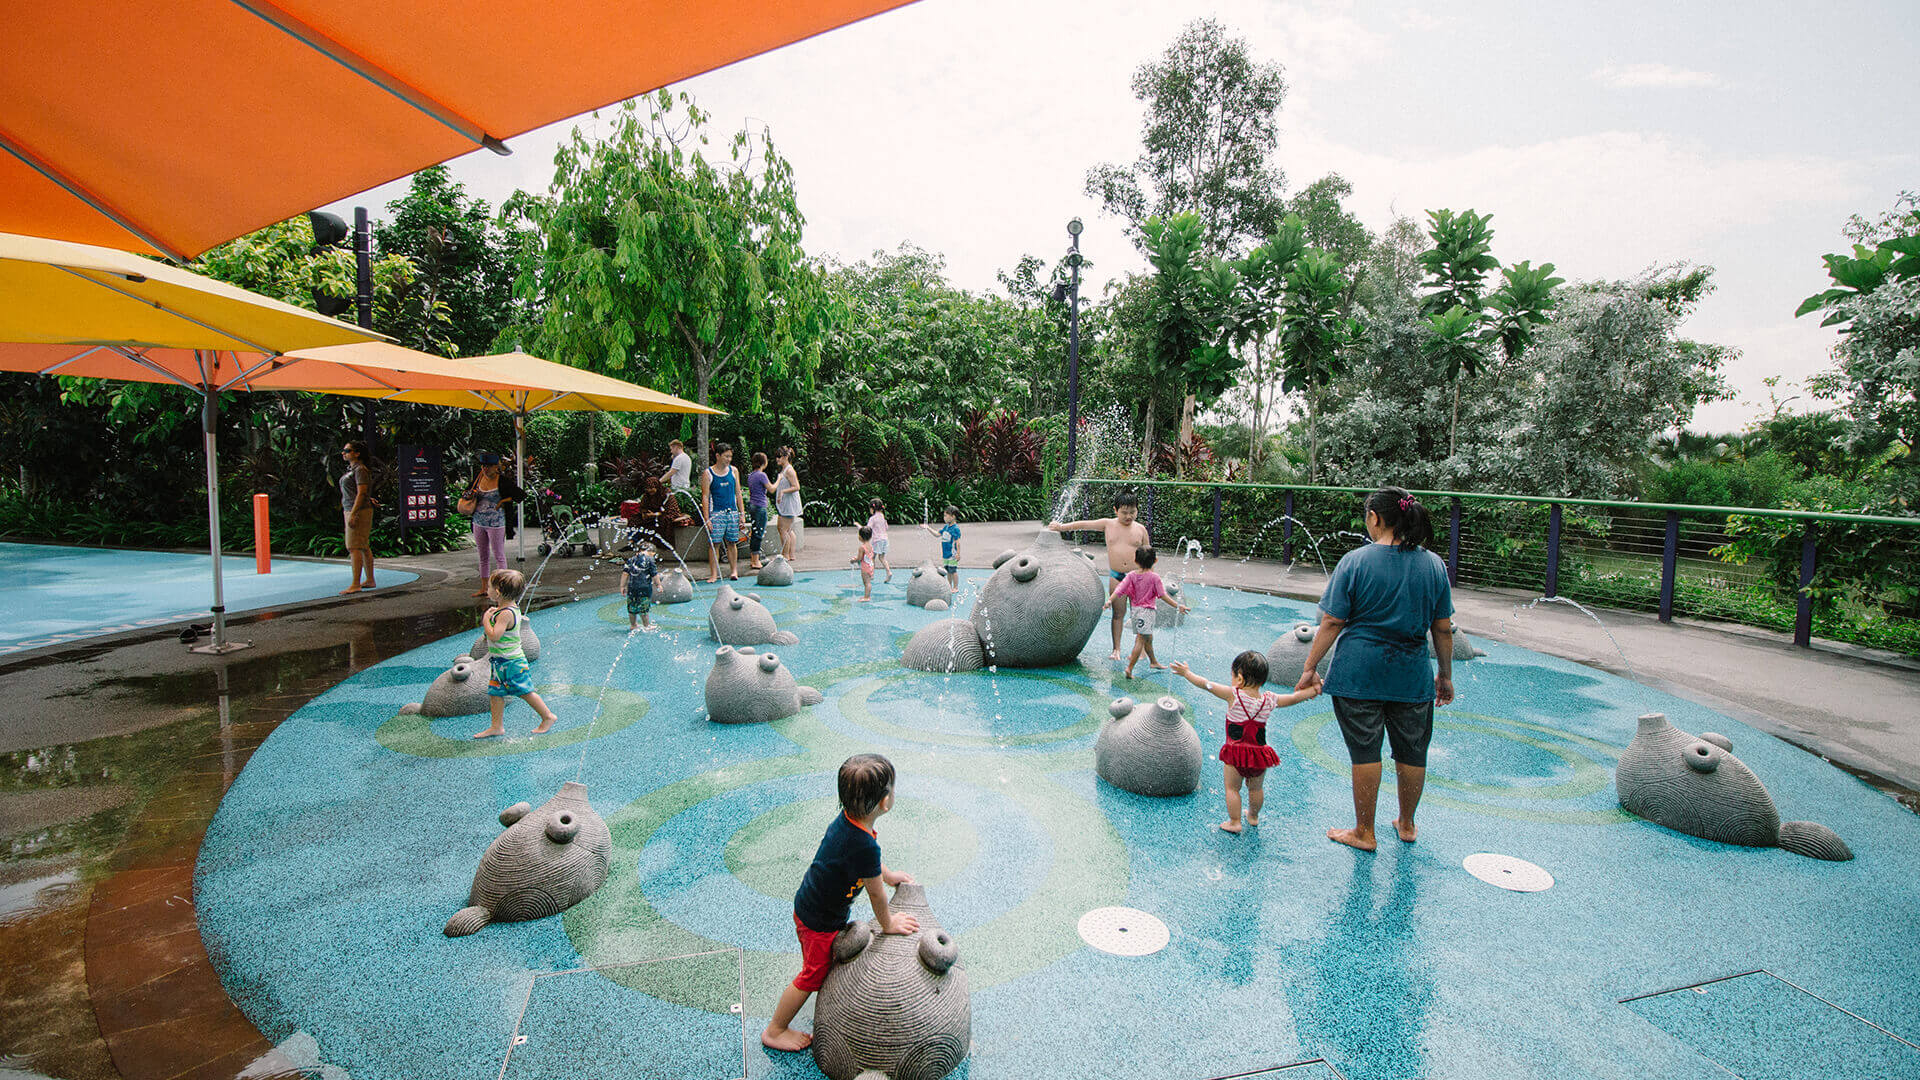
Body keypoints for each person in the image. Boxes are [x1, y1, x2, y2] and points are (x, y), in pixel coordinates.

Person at [1296, 487, 1455, 852]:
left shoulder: (1354, 561)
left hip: (1359, 673)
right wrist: (1444, 675)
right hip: (1411, 673)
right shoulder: (1432, 564)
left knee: (1365, 752)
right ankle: (1407, 823)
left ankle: (1364, 832)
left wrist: (1309, 666)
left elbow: (1333, 621)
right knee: (1413, 750)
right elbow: (1442, 628)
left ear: (1375, 518)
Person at [762, 753, 918, 1053]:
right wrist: (888, 924)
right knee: (812, 975)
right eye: (892, 790)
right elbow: (875, 895)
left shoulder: (849, 822)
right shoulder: (863, 845)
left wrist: (888, 876)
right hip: (819, 921)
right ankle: (775, 1029)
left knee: (817, 965)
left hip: (811, 904)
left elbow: (870, 865)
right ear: (885, 803)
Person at [1174, 651, 1318, 834]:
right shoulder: (1269, 700)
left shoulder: (1233, 695)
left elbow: (1206, 685)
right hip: (1259, 755)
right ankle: (1253, 816)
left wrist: (1187, 673)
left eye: (1233, 675)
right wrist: (1313, 690)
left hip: (1235, 754)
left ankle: (1235, 822)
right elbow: (1294, 698)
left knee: (1232, 789)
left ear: (1239, 679)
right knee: (1256, 789)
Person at [1047, 492, 1150, 660]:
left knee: (1140, 613)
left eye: (1133, 512)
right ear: (1115, 510)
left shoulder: (1140, 529)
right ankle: (1116, 649)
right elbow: (1084, 524)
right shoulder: (1108, 524)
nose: (1129, 516)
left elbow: (1148, 553)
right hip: (1118, 576)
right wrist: (1061, 527)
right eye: (1124, 512)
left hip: (1138, 577)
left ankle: (1142, 648)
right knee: (1118, 613)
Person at [471, 569, 561, 739]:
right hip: (500, 661)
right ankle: (496, 726)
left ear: (497, 592)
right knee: (495, 692)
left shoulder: (505, 613)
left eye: (489, 587)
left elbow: (495, 635)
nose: (487, 590)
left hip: (511, 662)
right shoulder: (505, 609)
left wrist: (485, 620)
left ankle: (548, 716)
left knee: (524, 691)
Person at [1104, 546, 1188, 678]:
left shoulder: (1132, 575)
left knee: (1148, 638)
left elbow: (1120, 589)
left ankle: (1153, 662)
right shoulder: (1154, 578)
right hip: (1147, 613)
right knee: (1140, 640)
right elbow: (1163, 595)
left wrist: (1110, 600)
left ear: (1135, 561)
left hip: (1136, 612)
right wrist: (1178, 606)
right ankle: (1129, 668)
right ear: (1155, 560)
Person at [456, 452, 521, 598]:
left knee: (499, 555)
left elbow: (520, 495)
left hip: (496, 523)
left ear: (495, 467)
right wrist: (469, 495)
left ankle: (502, 588)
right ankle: (484, 587)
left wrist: (502, 501)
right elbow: (466, 493)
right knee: (482, 556)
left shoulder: (503, 481)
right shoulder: (478, 479)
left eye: (489, 466)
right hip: (479, 521)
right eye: (483, 466)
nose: (485, 469)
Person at [338, 440, 378, 594]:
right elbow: (361, 492)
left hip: (357, 510)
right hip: (354, 508)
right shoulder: (354, 469)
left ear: (357, 453)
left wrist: (354, 513)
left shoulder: (360, 469)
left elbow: (361, 492)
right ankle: (369, 579)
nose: (344, 453)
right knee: (362, 545)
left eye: (347, 450)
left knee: (353, 546)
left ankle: (355, 583)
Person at [702, 443, 745, 582]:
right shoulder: (708, 473)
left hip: (732, 512)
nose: (729, 459)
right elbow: (705, 497)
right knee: (714, 544)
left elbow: (738, 493)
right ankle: (714, 574)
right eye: (726, 456)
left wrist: (742, 514)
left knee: (732, 542)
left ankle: (734, 571)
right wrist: (707, 518)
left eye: (730, 456)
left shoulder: (734, 471)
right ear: (718, 456)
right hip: (716, 513)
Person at [620, 541, 659, 631]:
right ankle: (646, 625)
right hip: (644, 588)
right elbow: (654, 575)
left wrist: (622, 586)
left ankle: (633, 625)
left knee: (632, 607)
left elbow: (625, 574)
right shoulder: (650, 560)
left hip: (632, 588)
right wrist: (659, 584)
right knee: (644, 608)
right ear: (650, 552)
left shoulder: (631, 560)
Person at [921, 505, 960, 592]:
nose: (944, 518)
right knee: (948, 571)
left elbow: (958, 542)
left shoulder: (955, 529)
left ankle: (956, 587)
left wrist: (958, 554)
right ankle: (949, 586)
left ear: (953, 517)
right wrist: (928, 528)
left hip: (952, 554)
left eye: (946, 516)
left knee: (953, 571)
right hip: (945, 554)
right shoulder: (946, 527)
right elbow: (937, 534)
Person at [773, 446, 803, 558]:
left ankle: (785, 555)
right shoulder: (786, 469)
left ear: (786, 457)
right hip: (788, 504)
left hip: (789, 505)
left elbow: (796, 486)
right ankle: (791, 554)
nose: (777, 459)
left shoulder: (789, 470)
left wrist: (782, 492)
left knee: (782, 529)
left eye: (779, 457)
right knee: (789, 530)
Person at [746, 451, 772, 571]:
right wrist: (779, 479)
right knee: (758, 534)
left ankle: (753, 559)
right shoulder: (762, 475)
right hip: (760, 507)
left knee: (754, 532)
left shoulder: (751, 475)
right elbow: (771, 489)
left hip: (752, 506)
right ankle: (756, 561)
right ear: (763, 462)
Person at [866, 497, 893, 582]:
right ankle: (888, 572)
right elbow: (886, 527)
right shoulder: (882, 516)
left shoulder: (873, 518)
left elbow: (868, 528)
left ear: (872, 508)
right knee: (882, 558)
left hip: (877, 540)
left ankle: (871, 574)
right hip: (885, 539)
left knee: (872, 557)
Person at [854, 525, 875, 601]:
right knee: (868, 582)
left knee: (866, 583)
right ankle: (867, 596)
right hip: (870, 565)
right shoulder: (870, 546)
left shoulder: (862, 547)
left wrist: (853, 560)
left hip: (865, 567)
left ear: (861, 537)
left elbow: (859, 558)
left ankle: (866, 597)